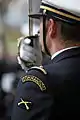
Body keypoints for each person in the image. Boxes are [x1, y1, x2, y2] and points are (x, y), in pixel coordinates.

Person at [11, 0, 80, 119]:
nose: (38, 31)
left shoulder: (37, 82)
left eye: (41, 22)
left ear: (52, 27)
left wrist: (33, 75)